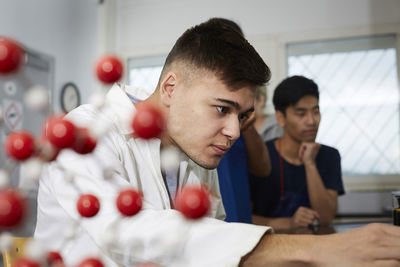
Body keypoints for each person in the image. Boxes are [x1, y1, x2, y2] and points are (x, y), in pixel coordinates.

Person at [34, 19, 400, 267]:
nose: (235, 131)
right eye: (222, 109)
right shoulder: (85, 133)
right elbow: (126, 232)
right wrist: (315, 249)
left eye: (241, 115)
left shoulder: (191, 149)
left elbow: (212, 242)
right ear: (171, 88)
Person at [250, 76, 345, 230]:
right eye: (301, 114)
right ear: (281, 118)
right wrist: (288, 223)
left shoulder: (330, 156)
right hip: (271, 247)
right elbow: (243, 218)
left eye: (316, 112)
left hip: (316, 248)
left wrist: (310, 163)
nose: (311, 121)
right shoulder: (260, 156)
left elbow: (326, 218)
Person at [214, 18, 270, 223]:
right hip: (206, 226)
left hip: (240, 221)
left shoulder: (244, 104)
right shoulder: (195, 105)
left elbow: (263, 169)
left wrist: (246, 121)